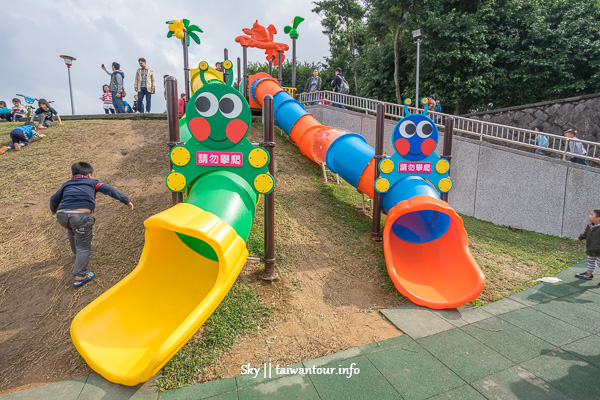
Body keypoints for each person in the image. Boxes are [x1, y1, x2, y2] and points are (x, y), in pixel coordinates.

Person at [50, 162, 134, 287]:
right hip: (80, 217)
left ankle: (76, 254)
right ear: (89, 175)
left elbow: (53, 198)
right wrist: (126, 200)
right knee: (84, 246)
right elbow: (110, 190)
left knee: (72, 230)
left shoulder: (67, 184)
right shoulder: (93, 182)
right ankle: (80, 275)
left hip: (62, 216)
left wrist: (54, 211)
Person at [574, 209, 600, 281]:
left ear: (598, 219)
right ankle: (588, 274)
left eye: (592, 215)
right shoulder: (589, 226)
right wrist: (579, 238)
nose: (590, 216)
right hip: (591, 248)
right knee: (590, 261)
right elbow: (585, 234)